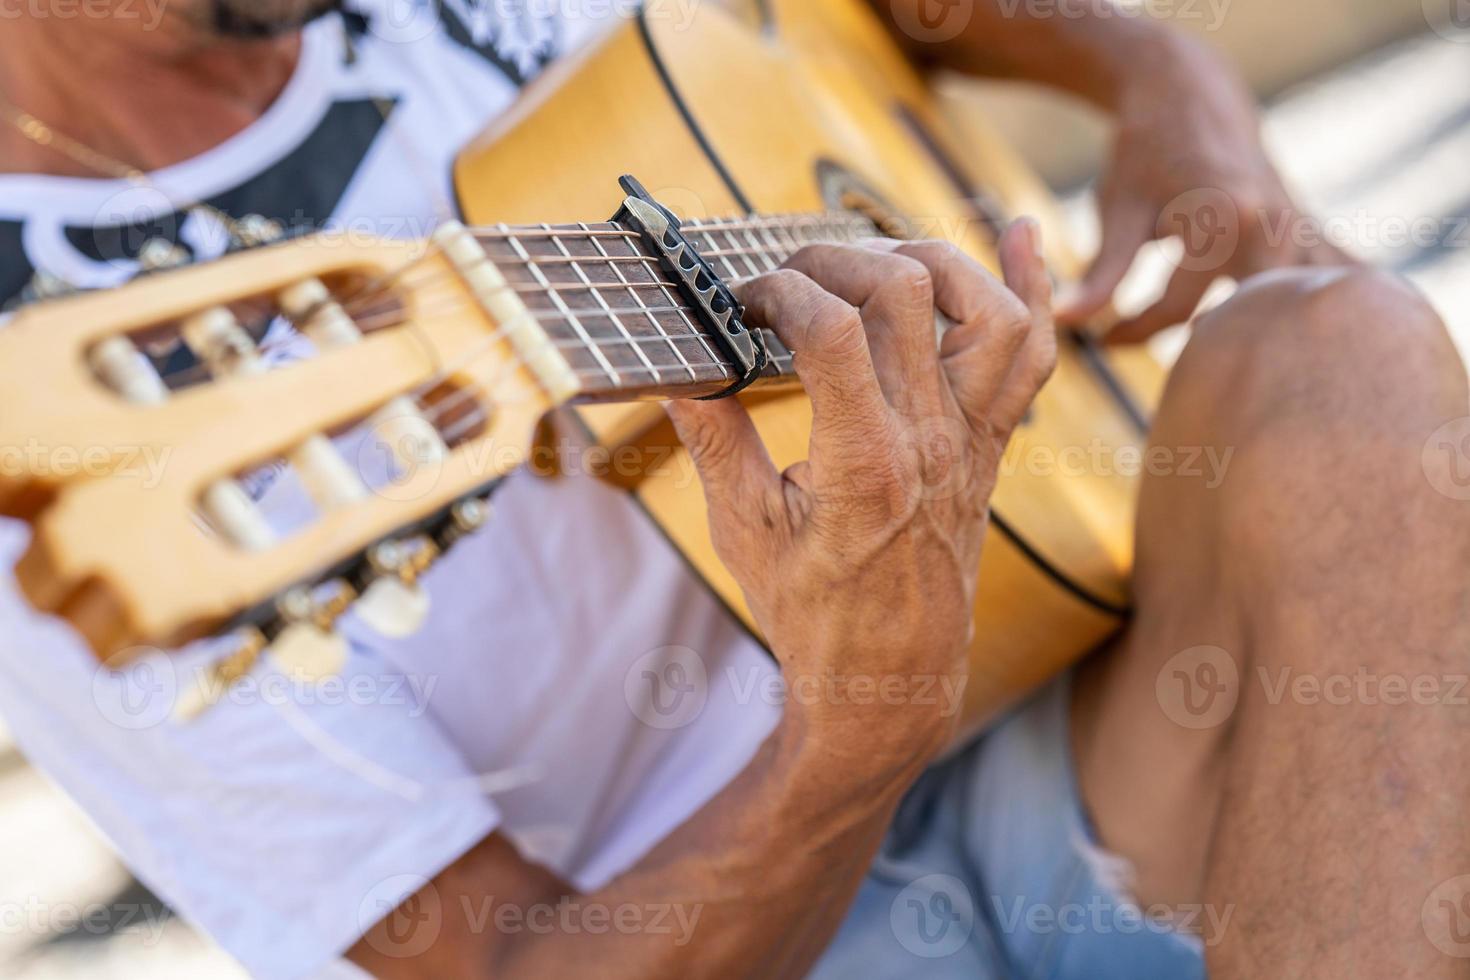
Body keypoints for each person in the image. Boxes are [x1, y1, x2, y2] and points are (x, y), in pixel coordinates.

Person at [0, 2, 1465, 978]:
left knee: (1341, 348)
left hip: (1073, 695)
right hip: (767, 930)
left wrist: (1155, 71)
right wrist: (850, 734)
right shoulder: (70, 443)